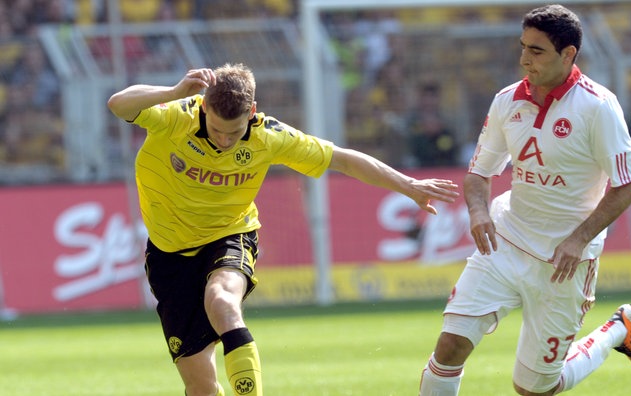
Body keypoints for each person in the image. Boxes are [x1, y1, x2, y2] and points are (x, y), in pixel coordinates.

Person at [107, 62, 459, 396]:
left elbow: (343, 159)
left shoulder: (268, 136)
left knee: (222, 302)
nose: (225, 141)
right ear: (203, 108)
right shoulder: (176, 115)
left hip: (228, 236)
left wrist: (408, 185)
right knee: (202, 388)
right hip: (169, 255)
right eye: (216, 130)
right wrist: (173, 90)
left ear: (252, 111)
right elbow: (118, 104)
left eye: (234, 131)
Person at [419, 5, 631, 396]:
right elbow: (479, 173)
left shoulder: (598, 107)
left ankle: (615, 331)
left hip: (565, 261)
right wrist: (478, 211)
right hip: (506, 241)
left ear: (568, 54)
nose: (525, 58)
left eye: (537, 50)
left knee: (535, 389)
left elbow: (628, 184)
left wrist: (579, 239)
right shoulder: (507, 100)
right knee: (450, 346)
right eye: (523, 47)